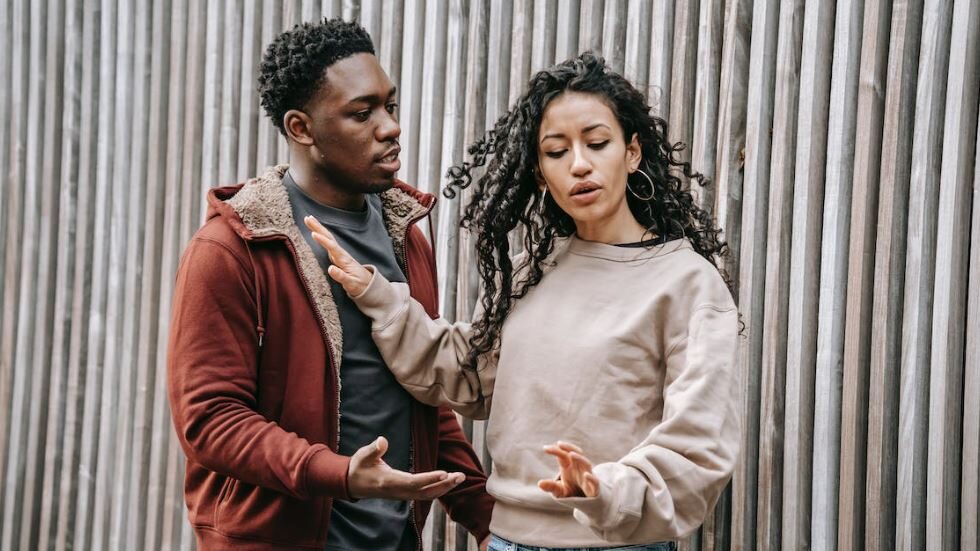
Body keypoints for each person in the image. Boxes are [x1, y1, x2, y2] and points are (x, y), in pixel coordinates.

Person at [304, 52, 740, 551]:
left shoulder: (688, 284)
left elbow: (697, 447)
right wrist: (376, 294)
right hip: (507, 540)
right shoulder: (538, 269)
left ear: (633, 152)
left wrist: (603, 492)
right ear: (539, 173)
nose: (580, 164)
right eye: (556, 152)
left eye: (597, 143)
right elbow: (465, 374)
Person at [167, 18, 494, 551]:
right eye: (362, 114)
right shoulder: (232, 250)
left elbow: (424, 392)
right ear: (302, 128)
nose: (389, 127)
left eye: (389, 106)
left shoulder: (406, 236)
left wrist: (485, 515)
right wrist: (338, 473)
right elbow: (209, 420)